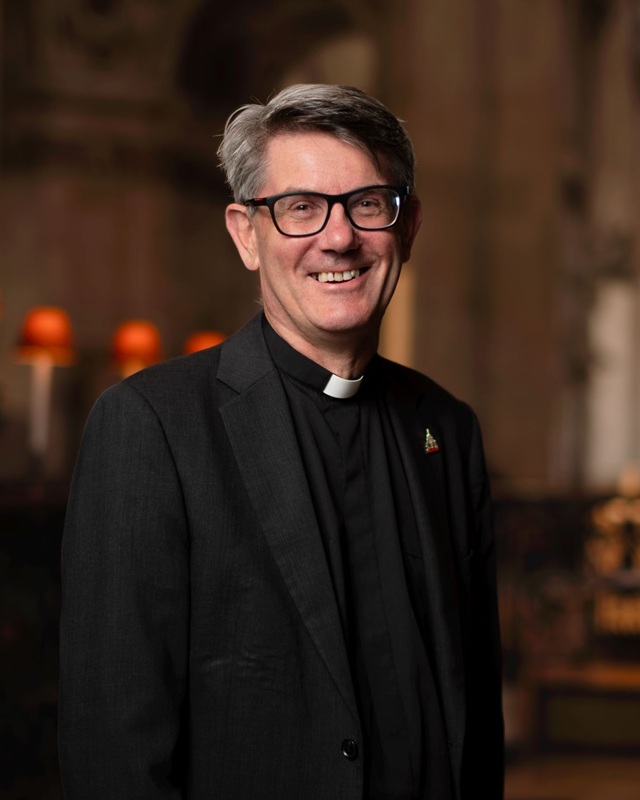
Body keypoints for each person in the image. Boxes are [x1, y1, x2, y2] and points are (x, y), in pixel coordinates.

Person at [59, 84, 504, 800]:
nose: (338, 238)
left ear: (408, 226)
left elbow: (474, 711)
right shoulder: (152, 425)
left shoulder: (447, 429)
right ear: (245, 233)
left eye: (368, 204)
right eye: (300, 207)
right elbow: (112, 749)